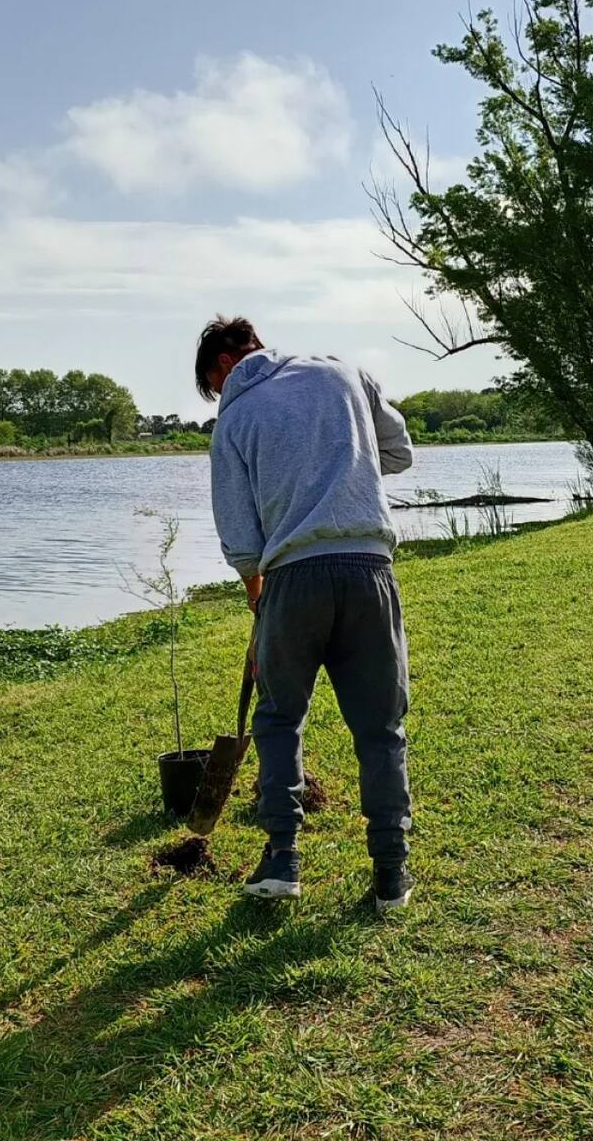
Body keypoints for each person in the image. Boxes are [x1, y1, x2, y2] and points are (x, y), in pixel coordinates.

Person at [195, 316, 416, 912]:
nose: (220, 398)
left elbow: (241, 540)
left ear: (221, 368)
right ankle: (391, 875)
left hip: (292, 580)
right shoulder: (346, 373)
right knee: (380, 726)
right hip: (370, 570)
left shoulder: (235, 420)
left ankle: (283, 860)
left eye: (214, 389)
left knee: (278, 719)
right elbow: (399, 451)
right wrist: (346, 464)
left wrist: (258, 602)